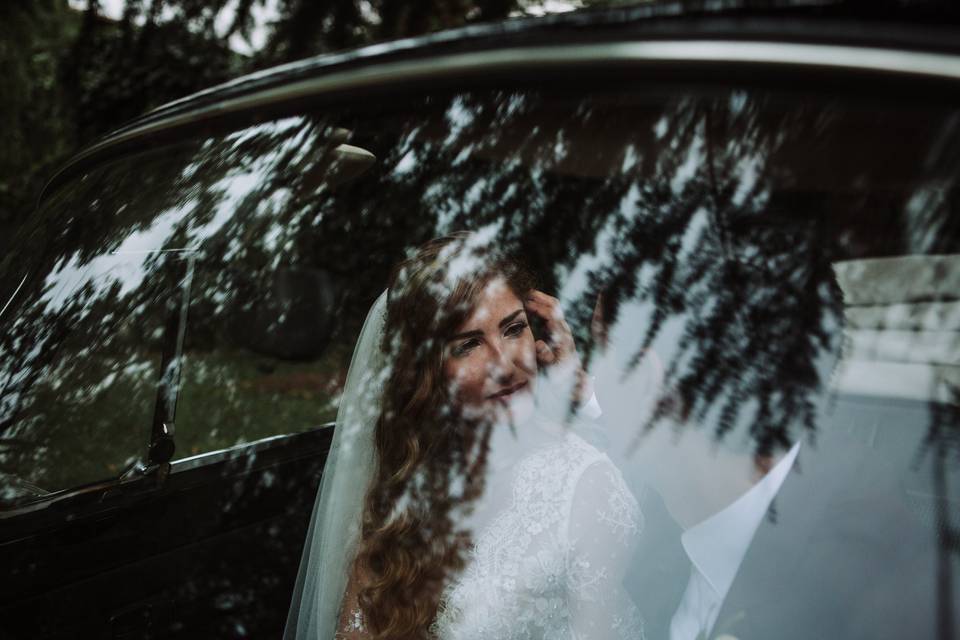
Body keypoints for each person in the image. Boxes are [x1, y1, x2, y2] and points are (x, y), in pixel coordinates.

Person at [284, 232, 644, 640]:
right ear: (427, 373)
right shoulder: (407, 478)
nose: (504, 365)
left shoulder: (586, 485)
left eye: (513, 329)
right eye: (469, 345)